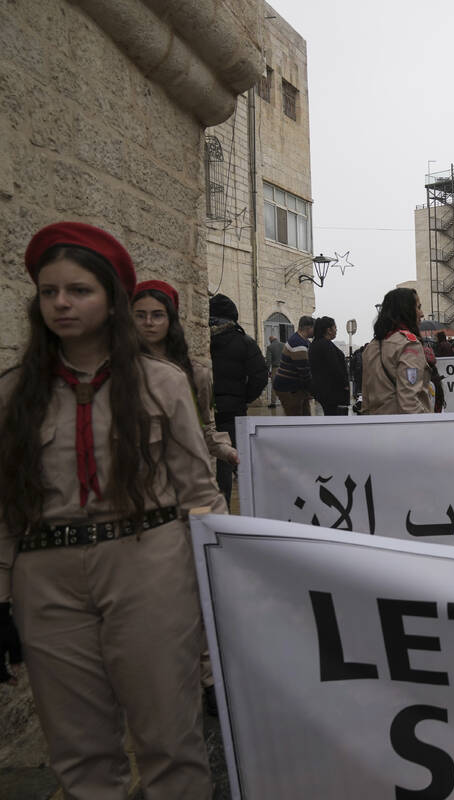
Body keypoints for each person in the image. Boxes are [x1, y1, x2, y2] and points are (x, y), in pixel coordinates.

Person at [0, 222, 224, 798]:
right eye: (50, 292)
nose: (62, 303)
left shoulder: (162, 384)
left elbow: (199, 492)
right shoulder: (13, 392)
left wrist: (214, 577)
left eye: (79, 290)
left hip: (148, 563)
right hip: (45, 577)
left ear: (111, 300)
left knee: (169, 742)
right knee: (79, 754)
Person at [133, 280, 238, 466]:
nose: (148, 322)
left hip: (178, 474)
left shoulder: (196, 374)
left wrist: (224, 449)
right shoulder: (117, 369)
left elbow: (205, 425)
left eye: (157, 315)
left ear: (170, 320)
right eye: (140, 315)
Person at [208, 293, 267, 504]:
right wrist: (245, 397)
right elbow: (260, 375)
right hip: (233, 411)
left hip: (205, 411)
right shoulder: (244, 342)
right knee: (231, 457)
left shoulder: (201, 339)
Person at [361, 288, 444, 414]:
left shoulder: (371, 347)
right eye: (418, 307)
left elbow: (366, 403)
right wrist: (427, 429)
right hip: (404, 428)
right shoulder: (409, 345)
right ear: (406, 311)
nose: (421, 314)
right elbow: (410, 404)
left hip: (377, 427)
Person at [272, 315, 314, 415]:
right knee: (295, 418)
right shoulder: (298, 343)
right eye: (314, 328)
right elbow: (304, 371)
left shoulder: (303, 341)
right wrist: (312, 390)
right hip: (289, 388)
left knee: (305, 416)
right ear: (308, 328)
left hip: (295, 388)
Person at [309, 316, 349, 416]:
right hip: (332, 392)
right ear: (329, 330)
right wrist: (345, 384)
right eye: (335, 327)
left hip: (322, 391)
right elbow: (335, 367)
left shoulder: (315, 344)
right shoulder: (326, 345)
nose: (336, 330)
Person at [265, 334, 284, 407]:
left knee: (274, 386)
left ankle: (273, 403)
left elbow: (268, 361)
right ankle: (284, 401)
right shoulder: (284, 345)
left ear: (270, 341)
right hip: (284, 368)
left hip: (275, 369)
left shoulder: (270, 347)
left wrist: (267, 371)